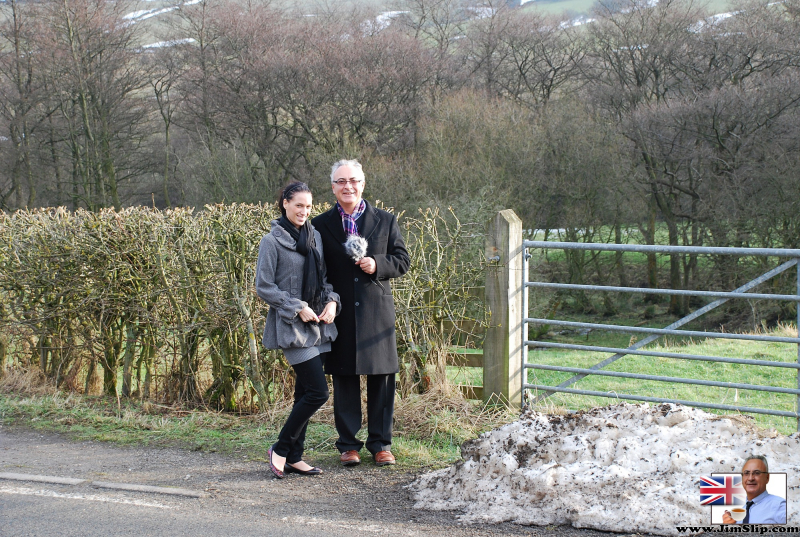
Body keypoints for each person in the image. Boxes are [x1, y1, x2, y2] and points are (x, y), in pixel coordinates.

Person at [311, 159, 410, 467]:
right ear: (332, 187)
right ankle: (348, 446)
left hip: (376, 314)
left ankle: (381, 445)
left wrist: (377, 264)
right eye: (341, 181)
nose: (347, 186)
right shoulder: (320, 224)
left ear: (363, 184)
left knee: (382, 378)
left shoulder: (386, 220)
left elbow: (403, 260)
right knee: (344, 379)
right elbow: (316, 270)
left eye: (353, 180)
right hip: (338, 312)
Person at [255, 182, 340, 479]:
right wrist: (296, 306)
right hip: (292, 326)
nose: (304, 211)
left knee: (304, 392)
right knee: (318, 393)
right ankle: (280, 447)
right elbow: (264, 287)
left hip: (318, 326)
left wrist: (332, 303)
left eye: (308, 206)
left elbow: (325, 280)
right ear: (285, 204)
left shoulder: (313, 235)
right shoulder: (271, 241)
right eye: (298, 205)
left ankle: (294, 456)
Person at [723, 455, 787, 524]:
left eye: (757, 473)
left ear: (767, 478)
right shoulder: (740, 514)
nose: (750, 478)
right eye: (746, 473)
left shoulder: (779, 506)